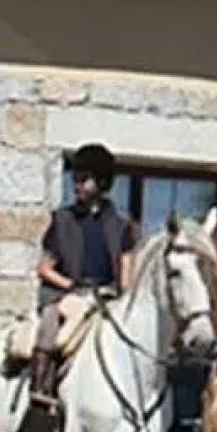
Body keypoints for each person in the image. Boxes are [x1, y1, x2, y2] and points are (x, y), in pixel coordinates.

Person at [29, 143, 137, 412]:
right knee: (51, 330)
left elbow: (126, 273)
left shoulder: (122, 225)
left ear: (101, 182)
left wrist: (121, 298)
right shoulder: (62, 220)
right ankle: (40, 392)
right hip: (67, 295)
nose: (76, 184)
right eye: (74, 178)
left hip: (105, 298)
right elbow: (44, 268)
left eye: (83, 179)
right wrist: (72, 286)